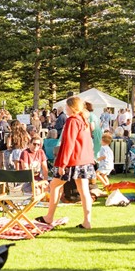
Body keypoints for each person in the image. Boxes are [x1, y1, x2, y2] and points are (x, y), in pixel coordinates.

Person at [38, 96, 96, 229]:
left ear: (71, 107)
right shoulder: (83, 120)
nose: (65, 108)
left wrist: (62, 164)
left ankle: (49, 217)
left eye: (66, 106)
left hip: (73, 161)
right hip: (85, 160)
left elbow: (69, 144)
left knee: (55, 186)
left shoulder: (72, 120)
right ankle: (87, 221)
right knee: (84, 191)